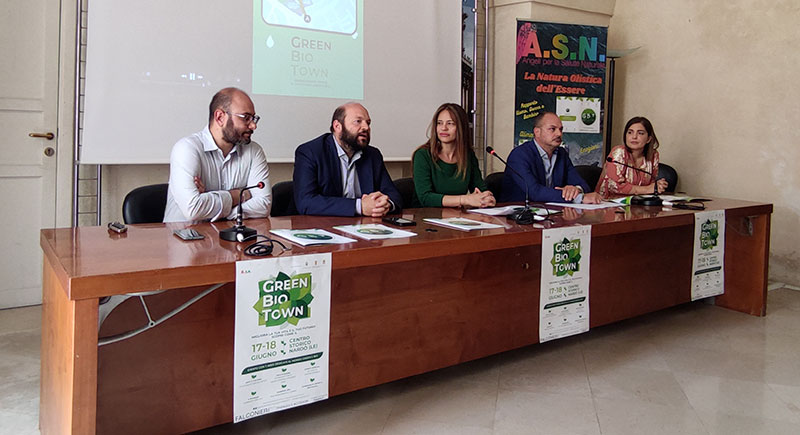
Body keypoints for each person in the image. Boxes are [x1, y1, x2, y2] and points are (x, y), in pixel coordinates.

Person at [163, 87, 271, 223]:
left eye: (254, 118)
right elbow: (193, 209)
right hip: (185, 234)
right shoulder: (187, 148)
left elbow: (264, 205)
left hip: (229, 233)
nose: (253, 126)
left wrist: (212, 202)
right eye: (246, 118)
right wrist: (239, 195)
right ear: (220, 117)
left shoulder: (254, 151)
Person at [293, 102, 402, 217]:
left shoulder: (373, 155)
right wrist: (359, 206)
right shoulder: (310, 152)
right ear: (337, 126)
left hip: (366, 225)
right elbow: (306, 202)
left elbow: (393, 195)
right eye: (358, 121)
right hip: (323, 225)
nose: (366, 127)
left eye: (368, 123)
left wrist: (386, 204)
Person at [501, 112, 601, 204]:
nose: (559, 134)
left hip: (551, 211)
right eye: (552, 129)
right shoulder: (519, 155)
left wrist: (575, 190)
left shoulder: (561, 154)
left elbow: (582, 184)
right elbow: (535, 192)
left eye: (560, 129)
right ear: (537, 132)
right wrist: (579, 198)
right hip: (519, 213)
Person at [412, 103, 495, 208]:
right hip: (425, 215)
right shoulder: (423, 155)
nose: (443, 128)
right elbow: (425, 198)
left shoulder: (468, 155)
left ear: (461, 127)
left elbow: (480, 188)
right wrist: (464, 199)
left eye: (450, 123)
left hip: (456, 215)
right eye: (439, 123)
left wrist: (487, 198)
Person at [596, 116, 668, 197]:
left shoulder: (653, 155)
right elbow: (614, 186)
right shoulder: (619, 152)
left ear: (648, 139)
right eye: (630, 132)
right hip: (608, 201)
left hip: (638, 201)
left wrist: (659, 185)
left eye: (640, 133)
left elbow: (652, 185)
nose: (634, 137)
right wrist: (647, 189)